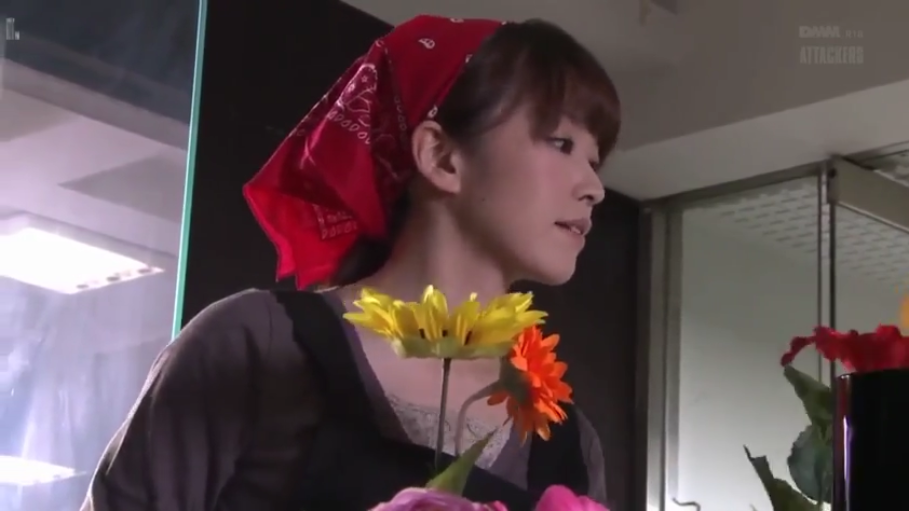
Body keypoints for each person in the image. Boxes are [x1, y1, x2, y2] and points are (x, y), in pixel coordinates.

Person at [81, 14, 620, 511]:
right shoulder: (256, 347)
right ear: (441, 157)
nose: (593, 187)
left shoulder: (569, 442)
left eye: (595, 161)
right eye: (561, 143)